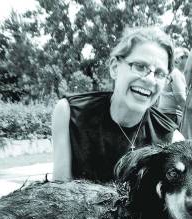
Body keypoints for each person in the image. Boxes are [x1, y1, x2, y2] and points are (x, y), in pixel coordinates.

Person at [51, 26, 177, 183]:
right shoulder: (69, 113)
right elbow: (59, 195)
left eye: (160, 73)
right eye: (139, 66)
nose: (150, 80)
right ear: (114, 67)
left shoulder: (169, 135)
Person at [156, 47, 188, 126]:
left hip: (165, 115)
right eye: (188, 59)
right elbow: (180, 98)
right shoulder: (176, 73)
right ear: (180, 58)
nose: (190, 62)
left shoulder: (170, 72)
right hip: (172, 116)